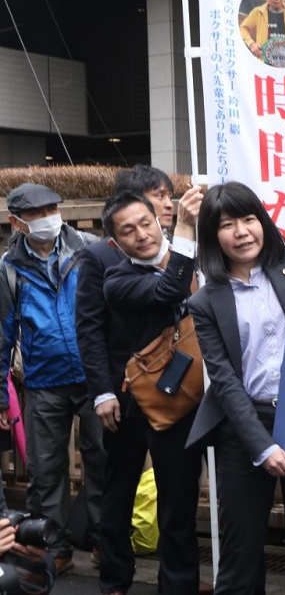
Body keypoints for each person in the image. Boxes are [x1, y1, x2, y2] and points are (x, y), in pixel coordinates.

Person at [185, 181, 285, 594]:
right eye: (227, 224)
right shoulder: (206, 301)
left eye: (249, 219)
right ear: (212, 235)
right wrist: (262, 445)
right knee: (241, 551)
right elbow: (224, 380)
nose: (241, 231)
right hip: (244, 425)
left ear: (263, 221)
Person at [75, 167, 207, 595]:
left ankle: (180, 582)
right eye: (129, 229)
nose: (143, 232)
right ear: (116, 238)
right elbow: (90, 328)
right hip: (127, 393)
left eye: (149, 218)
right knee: (119, 488)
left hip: (182, 393)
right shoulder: (107, 267)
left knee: (179, 494)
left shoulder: (193, 253)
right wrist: (103, 392)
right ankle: (114, 577)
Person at [0, 183, 105, 574]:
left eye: (52, 208)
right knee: (45, 473)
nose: (48, 217)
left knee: (104, 460)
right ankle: (54, 547)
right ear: (16, 221)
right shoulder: (9, 269)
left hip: (96, 377)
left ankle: (103, 540)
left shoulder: (89, 248)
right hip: (44, 381)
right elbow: (3, 335)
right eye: (36, 213)